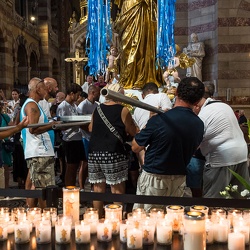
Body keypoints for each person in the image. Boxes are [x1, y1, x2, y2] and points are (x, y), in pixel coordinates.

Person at [131, 77, 205, 212]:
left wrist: (148, 124)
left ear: (176, 92)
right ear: (197, 101)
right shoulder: (199, 124)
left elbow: (135, 147)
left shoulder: (159, 119)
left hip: (155, 177)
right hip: (179, 179)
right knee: (172, 220)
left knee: (148, 221)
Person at [88, 83, 137, 217]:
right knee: (117, 189)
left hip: (94, 152)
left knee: (98, 188)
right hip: (113, 152)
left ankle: (97, 218)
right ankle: (116, 219)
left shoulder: (97, 109)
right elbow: (132, 130)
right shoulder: (123, 110)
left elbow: (91, 128)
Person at [197, 92, 250, 198]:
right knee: (240, 197)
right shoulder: (224, 106)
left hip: (221, 157)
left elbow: (195, 142)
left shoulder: (203, 114)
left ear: (197, 104)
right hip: (242, 153)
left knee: (214, 199)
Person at [20, 77, 58, 209]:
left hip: (41, 151)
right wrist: (52, 125)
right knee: (44, 188)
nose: (45, 90)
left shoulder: (33, 104)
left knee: (38, 185)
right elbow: (33, 129)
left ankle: (37, 214)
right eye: (43, 88)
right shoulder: (32, 106)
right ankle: (44, 215)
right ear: (37, 89)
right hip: (39, 152)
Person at [114, 0, 162, 89]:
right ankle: (128, 78)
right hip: (129, 5)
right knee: (127, 49)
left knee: (143, 45)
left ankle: (143, 78)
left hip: (144, 8)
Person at [186, 82, 215, 197]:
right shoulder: (215, 106)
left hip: (201, 155)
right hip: (203, 154)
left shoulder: (205, 111)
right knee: (198, 186)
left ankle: (199, 205)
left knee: (199, 188)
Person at [56, 83, 86, 186]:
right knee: (71, 167)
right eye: (77, 94)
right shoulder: (63, 106)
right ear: (71, 93)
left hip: (77, 138)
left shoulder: (74, 105)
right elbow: (61, 125)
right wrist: (75, 124)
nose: (79, 97)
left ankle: (73, 187)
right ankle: (69, 188)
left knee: (77, 165)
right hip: (69, 140)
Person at [77, 85, 100, 189]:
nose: (99, 95)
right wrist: (91, 130)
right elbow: (80, 123)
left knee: (94, 164)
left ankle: (92, 186)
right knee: (85, 164)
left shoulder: (97, 105)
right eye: (98, 93)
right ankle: (81, 187)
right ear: (93, 93)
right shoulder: (82, 106)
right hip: (85, 137)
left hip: (95, 138)